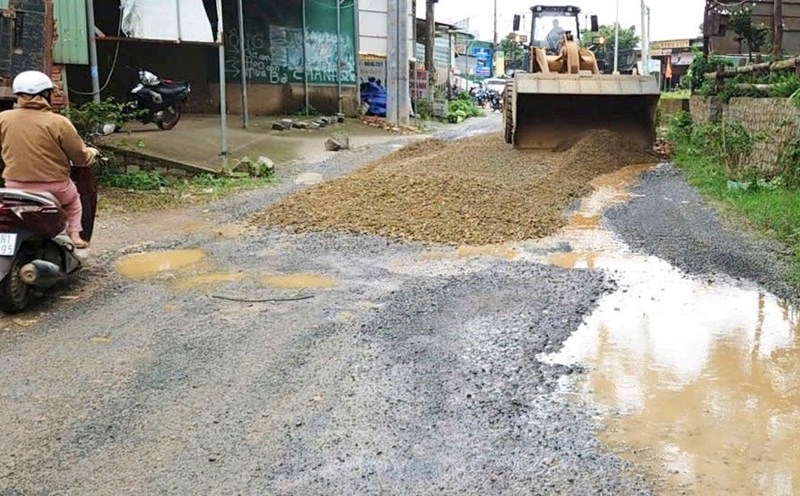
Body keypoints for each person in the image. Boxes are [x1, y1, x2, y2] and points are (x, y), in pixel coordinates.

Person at [0, 71, 99, 248]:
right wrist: (91, 153)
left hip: (14, 187)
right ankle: (75, 236)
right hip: (55, 188)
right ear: (46, 94)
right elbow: (80, 158)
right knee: (75, 201)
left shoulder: (3, 118)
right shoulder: (59, 122)